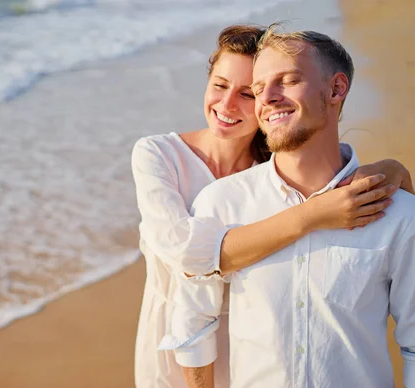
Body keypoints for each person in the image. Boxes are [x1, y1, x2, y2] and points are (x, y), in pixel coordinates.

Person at [132, 25, 414, 388]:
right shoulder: (202, 187)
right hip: (176, 348)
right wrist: (313, 214)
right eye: (221, 85)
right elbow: (190, 265)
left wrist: (395, 173)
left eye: (248, 92)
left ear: (336, 88)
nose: (236, 103)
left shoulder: (392, 210)